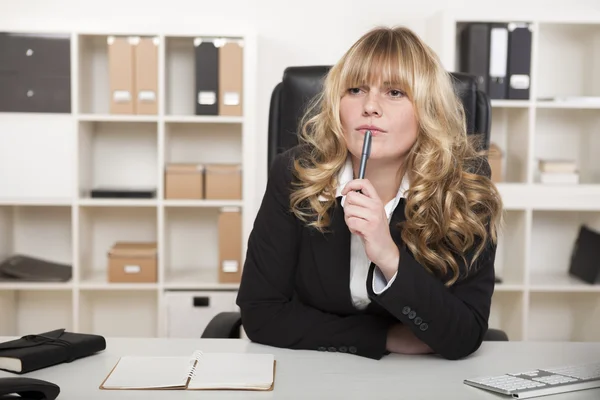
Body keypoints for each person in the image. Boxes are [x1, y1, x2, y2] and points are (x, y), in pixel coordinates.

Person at [236, 25, 503, 361]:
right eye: (356, 89)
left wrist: (387, 255)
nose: (371, 107)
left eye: (395, 92)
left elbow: (464, 334)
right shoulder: (294, 173)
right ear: (338, 103)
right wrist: (384, 337)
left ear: (428, 110)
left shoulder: (465, 185)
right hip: (315, 371)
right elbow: (261, 314)